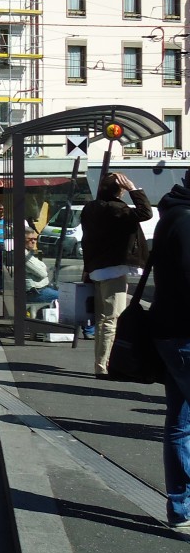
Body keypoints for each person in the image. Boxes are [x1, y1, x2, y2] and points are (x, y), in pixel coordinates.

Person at [149, 170, 190, 529]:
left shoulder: (173, 214)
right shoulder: (187, 219)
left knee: (179, 423)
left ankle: (180, 509)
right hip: (185, 336)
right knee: (180, 424)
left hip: (170, 333)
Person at [81, 171, 151, 377]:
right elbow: (145, 213)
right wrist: (134, 189)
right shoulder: (116, 208)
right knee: (111, 319)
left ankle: (101, 363)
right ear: (119, 191)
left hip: (97, 268)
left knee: (103, 319)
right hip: (113, 269)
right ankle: (103, 366)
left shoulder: (91, 208)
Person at [22, 229, 58, 306]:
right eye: (30, 239)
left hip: (41, 289)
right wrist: (43, 267)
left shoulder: (28, 252)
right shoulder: (24, 255)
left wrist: (42, 266)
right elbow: (42, 273)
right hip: (36, 293)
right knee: (66, 297)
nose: (33, 242)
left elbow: (42, 267)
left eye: (35, 239)